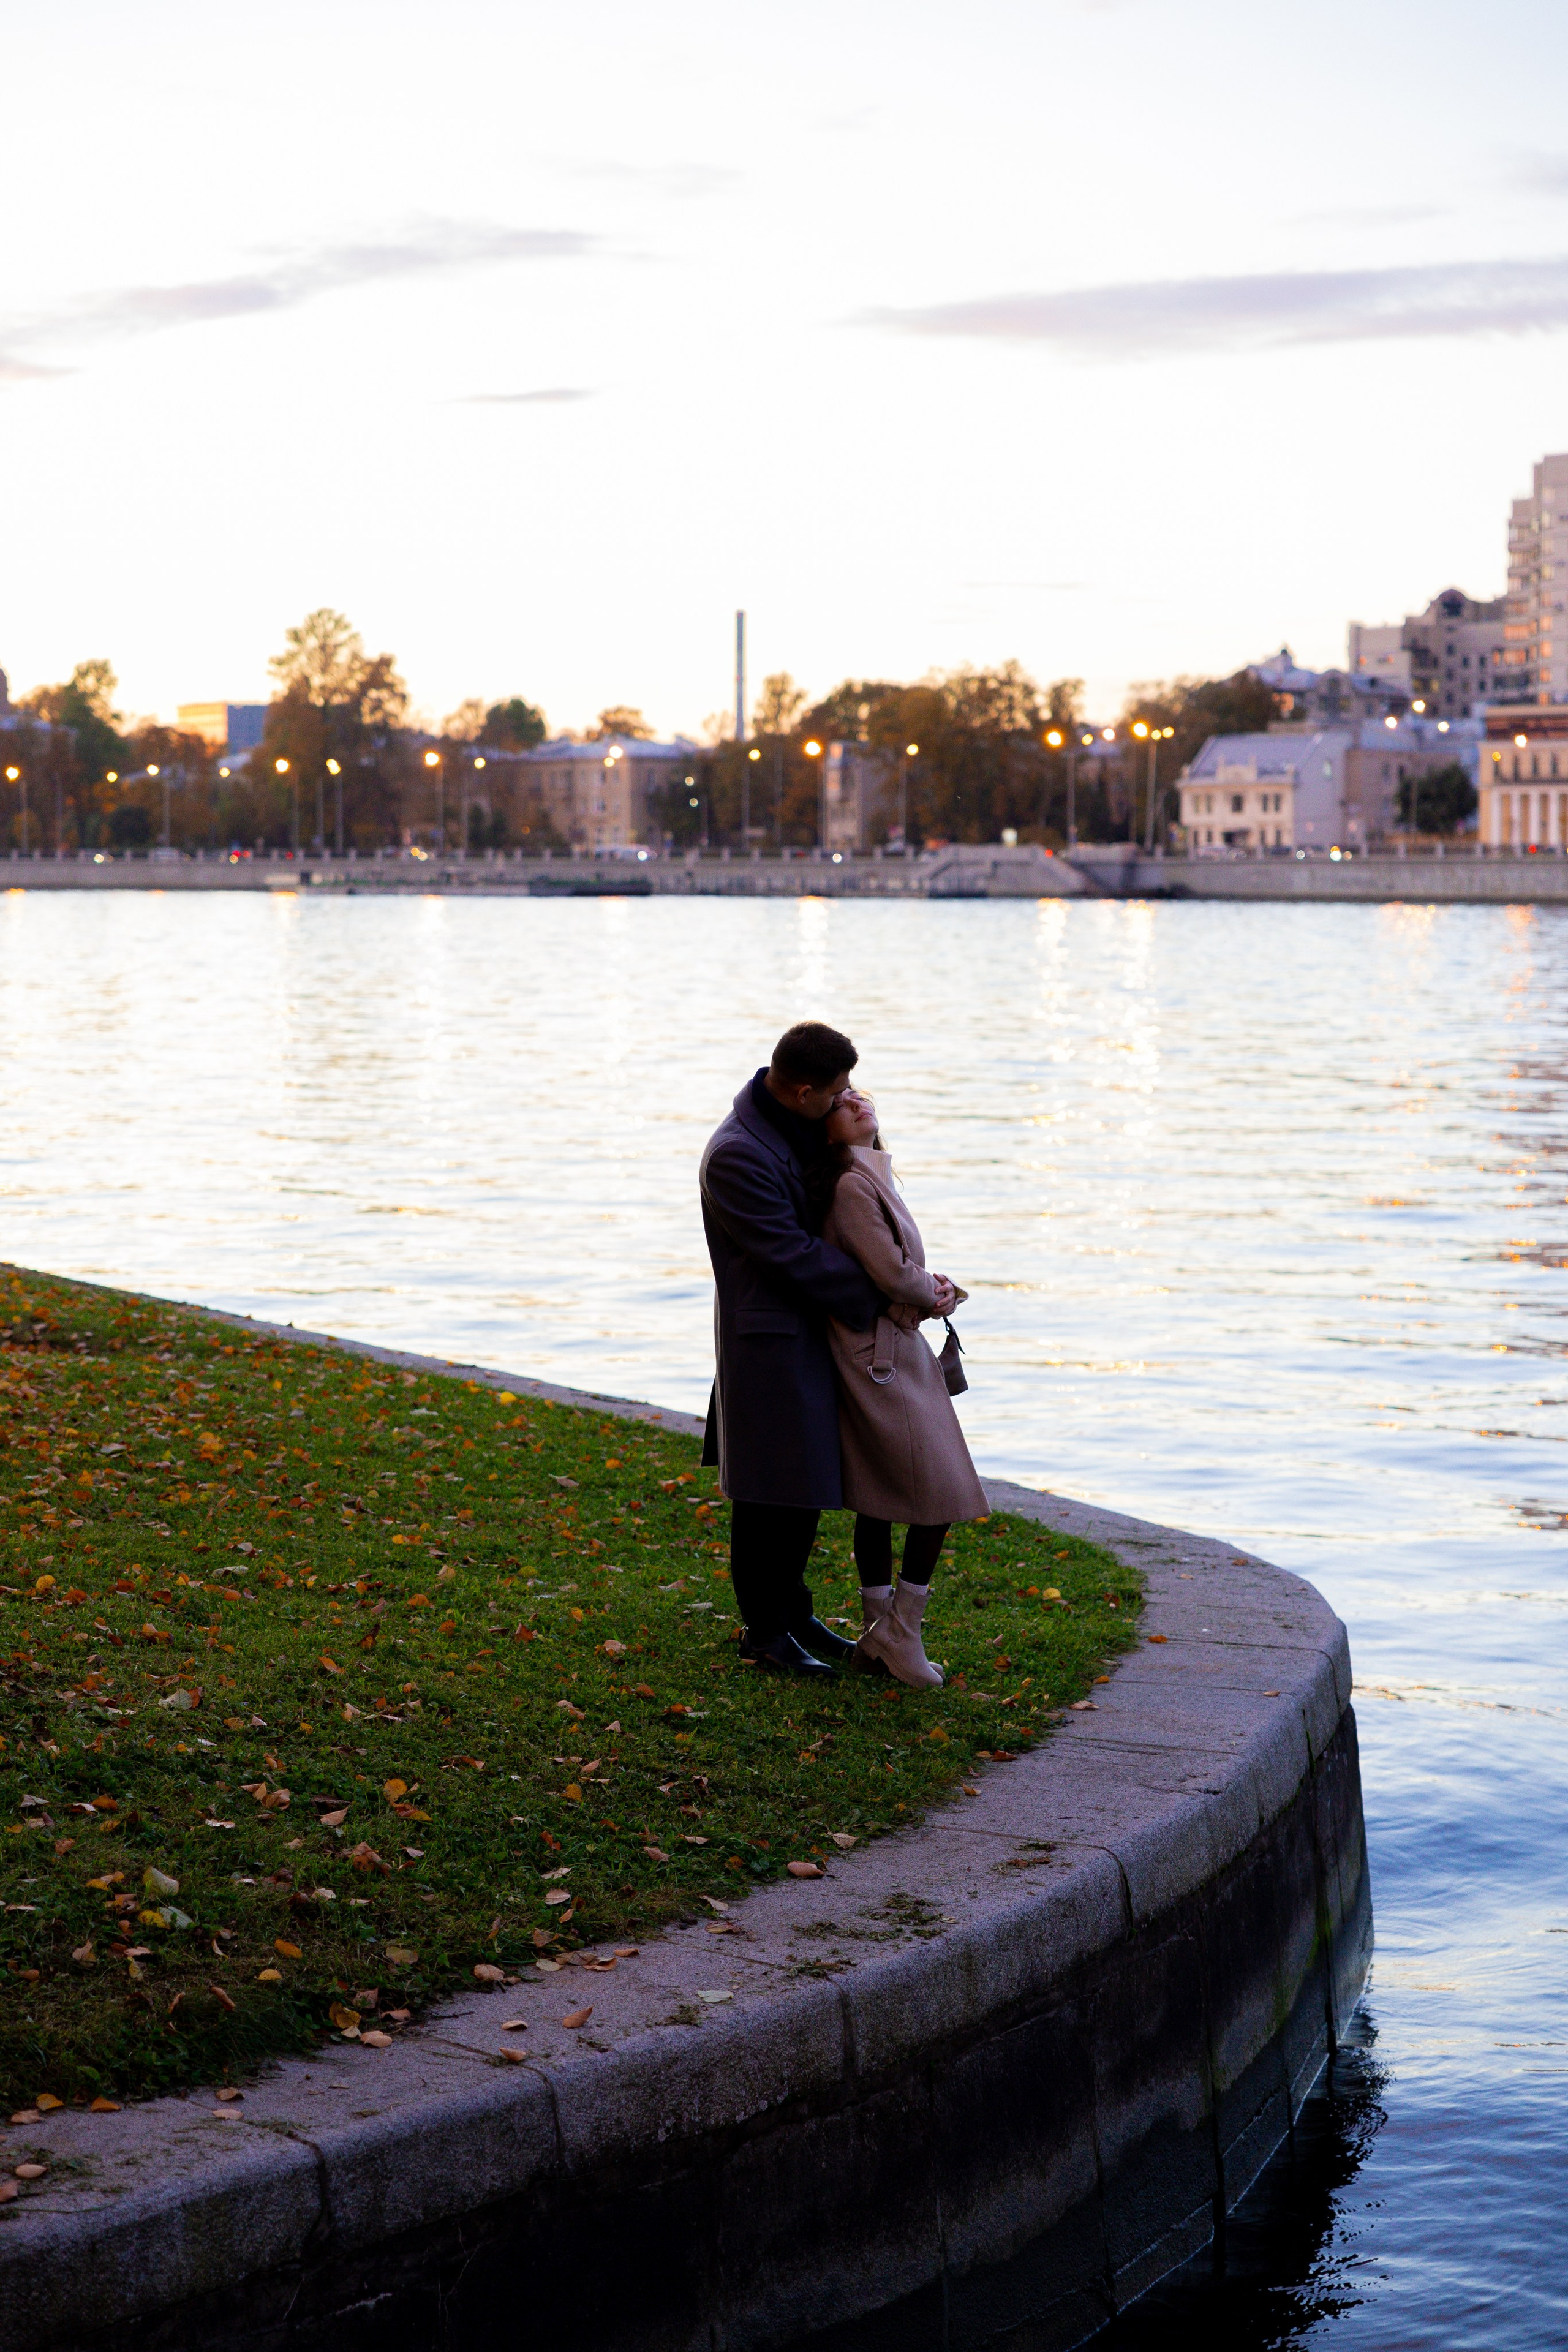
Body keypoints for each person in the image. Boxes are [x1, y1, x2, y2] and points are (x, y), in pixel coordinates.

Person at [699, 1022, 883, 1678]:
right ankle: (765, 1632)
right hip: (769, 1343)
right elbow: (790, 1253)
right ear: (803, 1091)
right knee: (767, 1497)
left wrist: (860, 1142)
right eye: (836, 1092)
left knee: (804, 1486)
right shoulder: (737, 1153)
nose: (844, 1099)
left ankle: (794, 1614)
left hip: (809, 1330)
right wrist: (883, 1289)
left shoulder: (798, 1122)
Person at [813, 1088, 987, 1687]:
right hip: (879, 1356)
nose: (856, 1100)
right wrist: (932, 1293)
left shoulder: (871, 1177)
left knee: (882, 1495)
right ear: (825, 1129)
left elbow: (888, 1268)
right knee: (938, 1490)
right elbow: (890, 1273)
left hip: (887, 1349)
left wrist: (935, 1288)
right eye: (840, 1102)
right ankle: (899, 1631)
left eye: (857, 1093)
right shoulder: (851, 1185)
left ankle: (879, 1635)